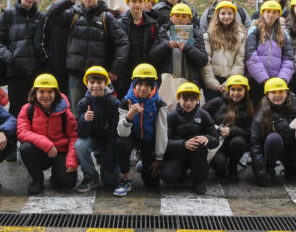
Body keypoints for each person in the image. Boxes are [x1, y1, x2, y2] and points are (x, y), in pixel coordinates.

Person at [46, 0, 128, 108]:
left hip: (98, 75)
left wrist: (115, 70)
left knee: (99, 111)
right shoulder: (73, 15)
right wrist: (70, 0)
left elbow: (122, 42)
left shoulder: (106, 17)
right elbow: (51, 13)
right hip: (76, 73)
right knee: (75, 110)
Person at [0, 0, 48, 118]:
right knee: (16, 112)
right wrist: (10, 59)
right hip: (15, 73)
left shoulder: (41, 16)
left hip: (35, 72)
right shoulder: (8, 15)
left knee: (36, 112)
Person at [112, 63, 169, 196]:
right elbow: (121, 133)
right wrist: (129, 116)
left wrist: (158, 159)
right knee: (120, 143)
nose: (143, 88)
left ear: (153, 86)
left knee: (152, 183)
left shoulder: (159, 103)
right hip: (132, 137)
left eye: (147, 85)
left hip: (149, 140)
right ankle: (126, 178)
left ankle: (144, 161)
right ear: (134, 84)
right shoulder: (126, 101)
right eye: (140, 84)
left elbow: (162, 131)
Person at [17, 74, 79, 195]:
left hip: (60, 151)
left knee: (69, 183)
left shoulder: (65, 112)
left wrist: (71, 161)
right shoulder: (27, 109)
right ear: (35, 93)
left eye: (50, 91)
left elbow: (73, 137)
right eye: (41, 91)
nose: (46, 95)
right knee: (25, 148)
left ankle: (56, 176)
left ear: (56, 93)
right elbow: (22, 132)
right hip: (39, 151)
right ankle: (37, 180)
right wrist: (46, 144)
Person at [249, 77, 296, 185]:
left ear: (286, 92)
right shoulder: (261, 113)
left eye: (281, 91)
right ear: (267, 94)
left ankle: (291, 169)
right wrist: (261, 174)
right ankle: (270, 169)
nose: (277, 95)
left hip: (293, 145)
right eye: (273, 92)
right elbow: (255, 145)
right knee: (274, 139)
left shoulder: (294, 102)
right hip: (272, 148)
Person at [162, 82, 219, 195]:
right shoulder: (171, 116)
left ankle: (198, 181)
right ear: (178, 98)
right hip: (177, 154)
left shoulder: (204, 115)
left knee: (201, 143)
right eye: (185, 99)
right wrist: (183, 144)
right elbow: (163, 143)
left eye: (192, 100)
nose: (188, 103)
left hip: (197, 155)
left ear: (197, 100)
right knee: (167, 177)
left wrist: (207, 138)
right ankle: (181, 171)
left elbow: (216, 140)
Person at [73, 66, 122, 192]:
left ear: (106, 84)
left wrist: (109, 163)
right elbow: (82, 134)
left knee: (110, 181)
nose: (95, 86)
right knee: (79, 145)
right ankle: (91, 176)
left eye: (99, 82)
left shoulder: (114, 103)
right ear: (87, 84)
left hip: (108, 141)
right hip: (93, 138)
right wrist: (85, 120)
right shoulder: (83, 103)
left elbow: (114, 135)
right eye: (92, 82)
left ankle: (111, 163)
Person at [116, 0, 170, 97]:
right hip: (125, 73)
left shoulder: (153, 24)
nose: (137, 5)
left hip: (147, 72)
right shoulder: (119, 23)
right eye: (134, 1)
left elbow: (157, 49)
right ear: (127, 3)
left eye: (140, 1)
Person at [202, 75, 255, 182]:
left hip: (233, 143)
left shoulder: (249, 109)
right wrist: (213, 126)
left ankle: (233, 166)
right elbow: (201, 117)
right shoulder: (217, 102)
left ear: (245, 91)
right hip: (216, 144)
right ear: (228, 90)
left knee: (240, 142)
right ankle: (220, 167)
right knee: (219, 166)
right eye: (233, 89)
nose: (236, 93)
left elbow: (249, 133)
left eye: (239, 89)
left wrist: (232, 130)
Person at [245, 0, 294, 105]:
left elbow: (288, 59)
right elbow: (250, 57)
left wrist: (281, 80)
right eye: (268, 11)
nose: (271, 15)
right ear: (262, 13)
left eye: (274, 12)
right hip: (256, 81)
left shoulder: (284, 34)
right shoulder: (254, 31)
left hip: (276, 84)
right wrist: (265, 79)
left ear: (279, 15)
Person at [200, 1, 247, 97]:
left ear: (234, 16)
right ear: (217, 15)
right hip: (211, 82)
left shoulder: (241, 36)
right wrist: (214, 84)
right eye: (223, 13)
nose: (226, 16)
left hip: (231, 83)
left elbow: (240, 61)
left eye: (230, 13)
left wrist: (228, 83)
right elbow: (205, 62)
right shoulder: (208, 36)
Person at [160, 3, 208, 90]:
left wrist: (188, 48)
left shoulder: (196, 35)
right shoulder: (163, 32)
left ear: (189, 19)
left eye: (184, 16)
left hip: (189, 82)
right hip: (167, 82)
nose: (180, 18)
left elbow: (203, 61)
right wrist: (166, 46)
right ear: (171, 17)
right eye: (177, 15)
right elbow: (152, 56)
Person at [45, 0, 74, 91]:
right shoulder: (47, 18)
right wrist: (47, 61)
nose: (63, 2)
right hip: (53, 68)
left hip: (71, 69)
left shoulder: (76, 16)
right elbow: (42, 41)